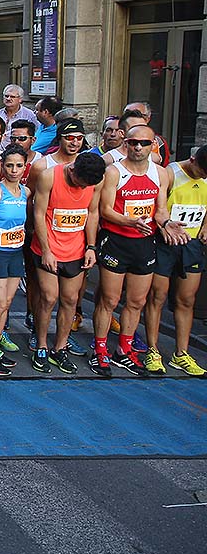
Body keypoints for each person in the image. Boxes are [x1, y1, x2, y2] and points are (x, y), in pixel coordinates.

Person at [92, 124, 167, 377]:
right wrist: (129, 221)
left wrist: (167, 223)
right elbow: (105, 210)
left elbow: (161, 208)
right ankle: (100, 350)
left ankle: (124, 350)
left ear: (152, 145)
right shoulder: (114, 171)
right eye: (133, 142)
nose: (137, 147)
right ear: (126, 143)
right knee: (109, 300)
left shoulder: (160, 173)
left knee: (136, 301)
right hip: (117, 240)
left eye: (143, 144)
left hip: (145, 243)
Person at [30, 151, 106, 373]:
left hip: (76, 249)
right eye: (79, 183)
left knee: (70, 299)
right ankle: (41, 345)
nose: (81, 188)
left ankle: (60, 347)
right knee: (48, 297)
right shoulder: (49, 176)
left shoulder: (94, 183)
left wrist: (91, 247)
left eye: (86, 186)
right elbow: (38, 214)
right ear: (72, 170)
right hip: (48, 246)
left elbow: (92, 214)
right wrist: (46, 250)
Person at [144, 145, 207, 376]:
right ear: (192, 160)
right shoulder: (170, 173)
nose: (203, 177)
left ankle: (181, 353)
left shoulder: (206, 176)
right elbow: (156, 206)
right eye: (201, 172)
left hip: (191, 244)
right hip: (165, 242)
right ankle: (153, 349)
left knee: (187, 299)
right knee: (157, 296)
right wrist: (164, 227)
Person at [0, 146, 29, 377]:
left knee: (7, 303)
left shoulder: (25, 192)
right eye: (9, 165)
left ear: (25, 166)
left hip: (15, 252)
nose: (14, 170)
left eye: (19, 165)